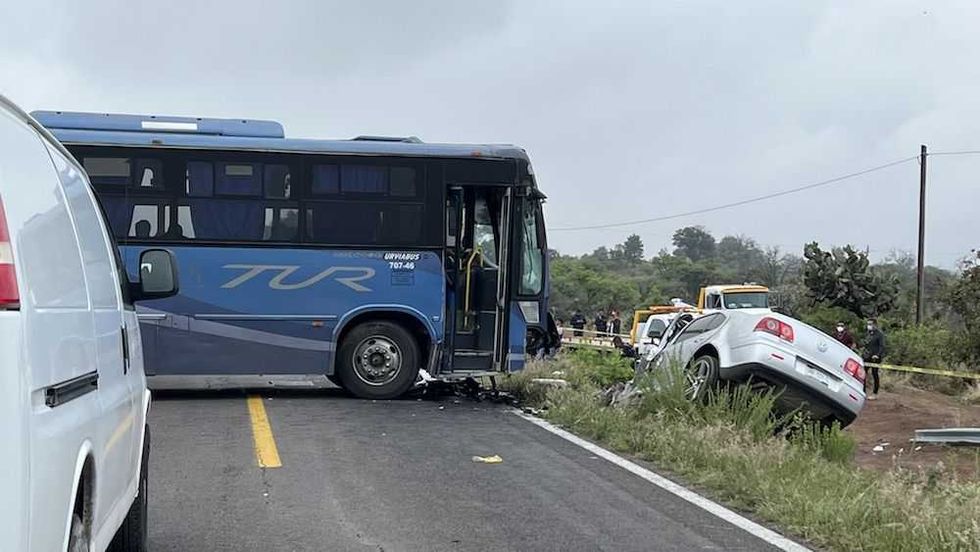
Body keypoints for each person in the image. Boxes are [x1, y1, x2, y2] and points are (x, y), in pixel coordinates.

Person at [863, 318, 886, 400]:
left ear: (875, 325)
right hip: (867, 356)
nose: (869, 326)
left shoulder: (880, 334)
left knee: (874, 373)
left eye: (870, 324)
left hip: (875, 358)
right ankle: (863, 392)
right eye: (868, 324)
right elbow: (866, 344)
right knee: (863, 373)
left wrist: (877, 355)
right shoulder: (868, 333)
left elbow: (882, 346)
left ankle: (875, 393)